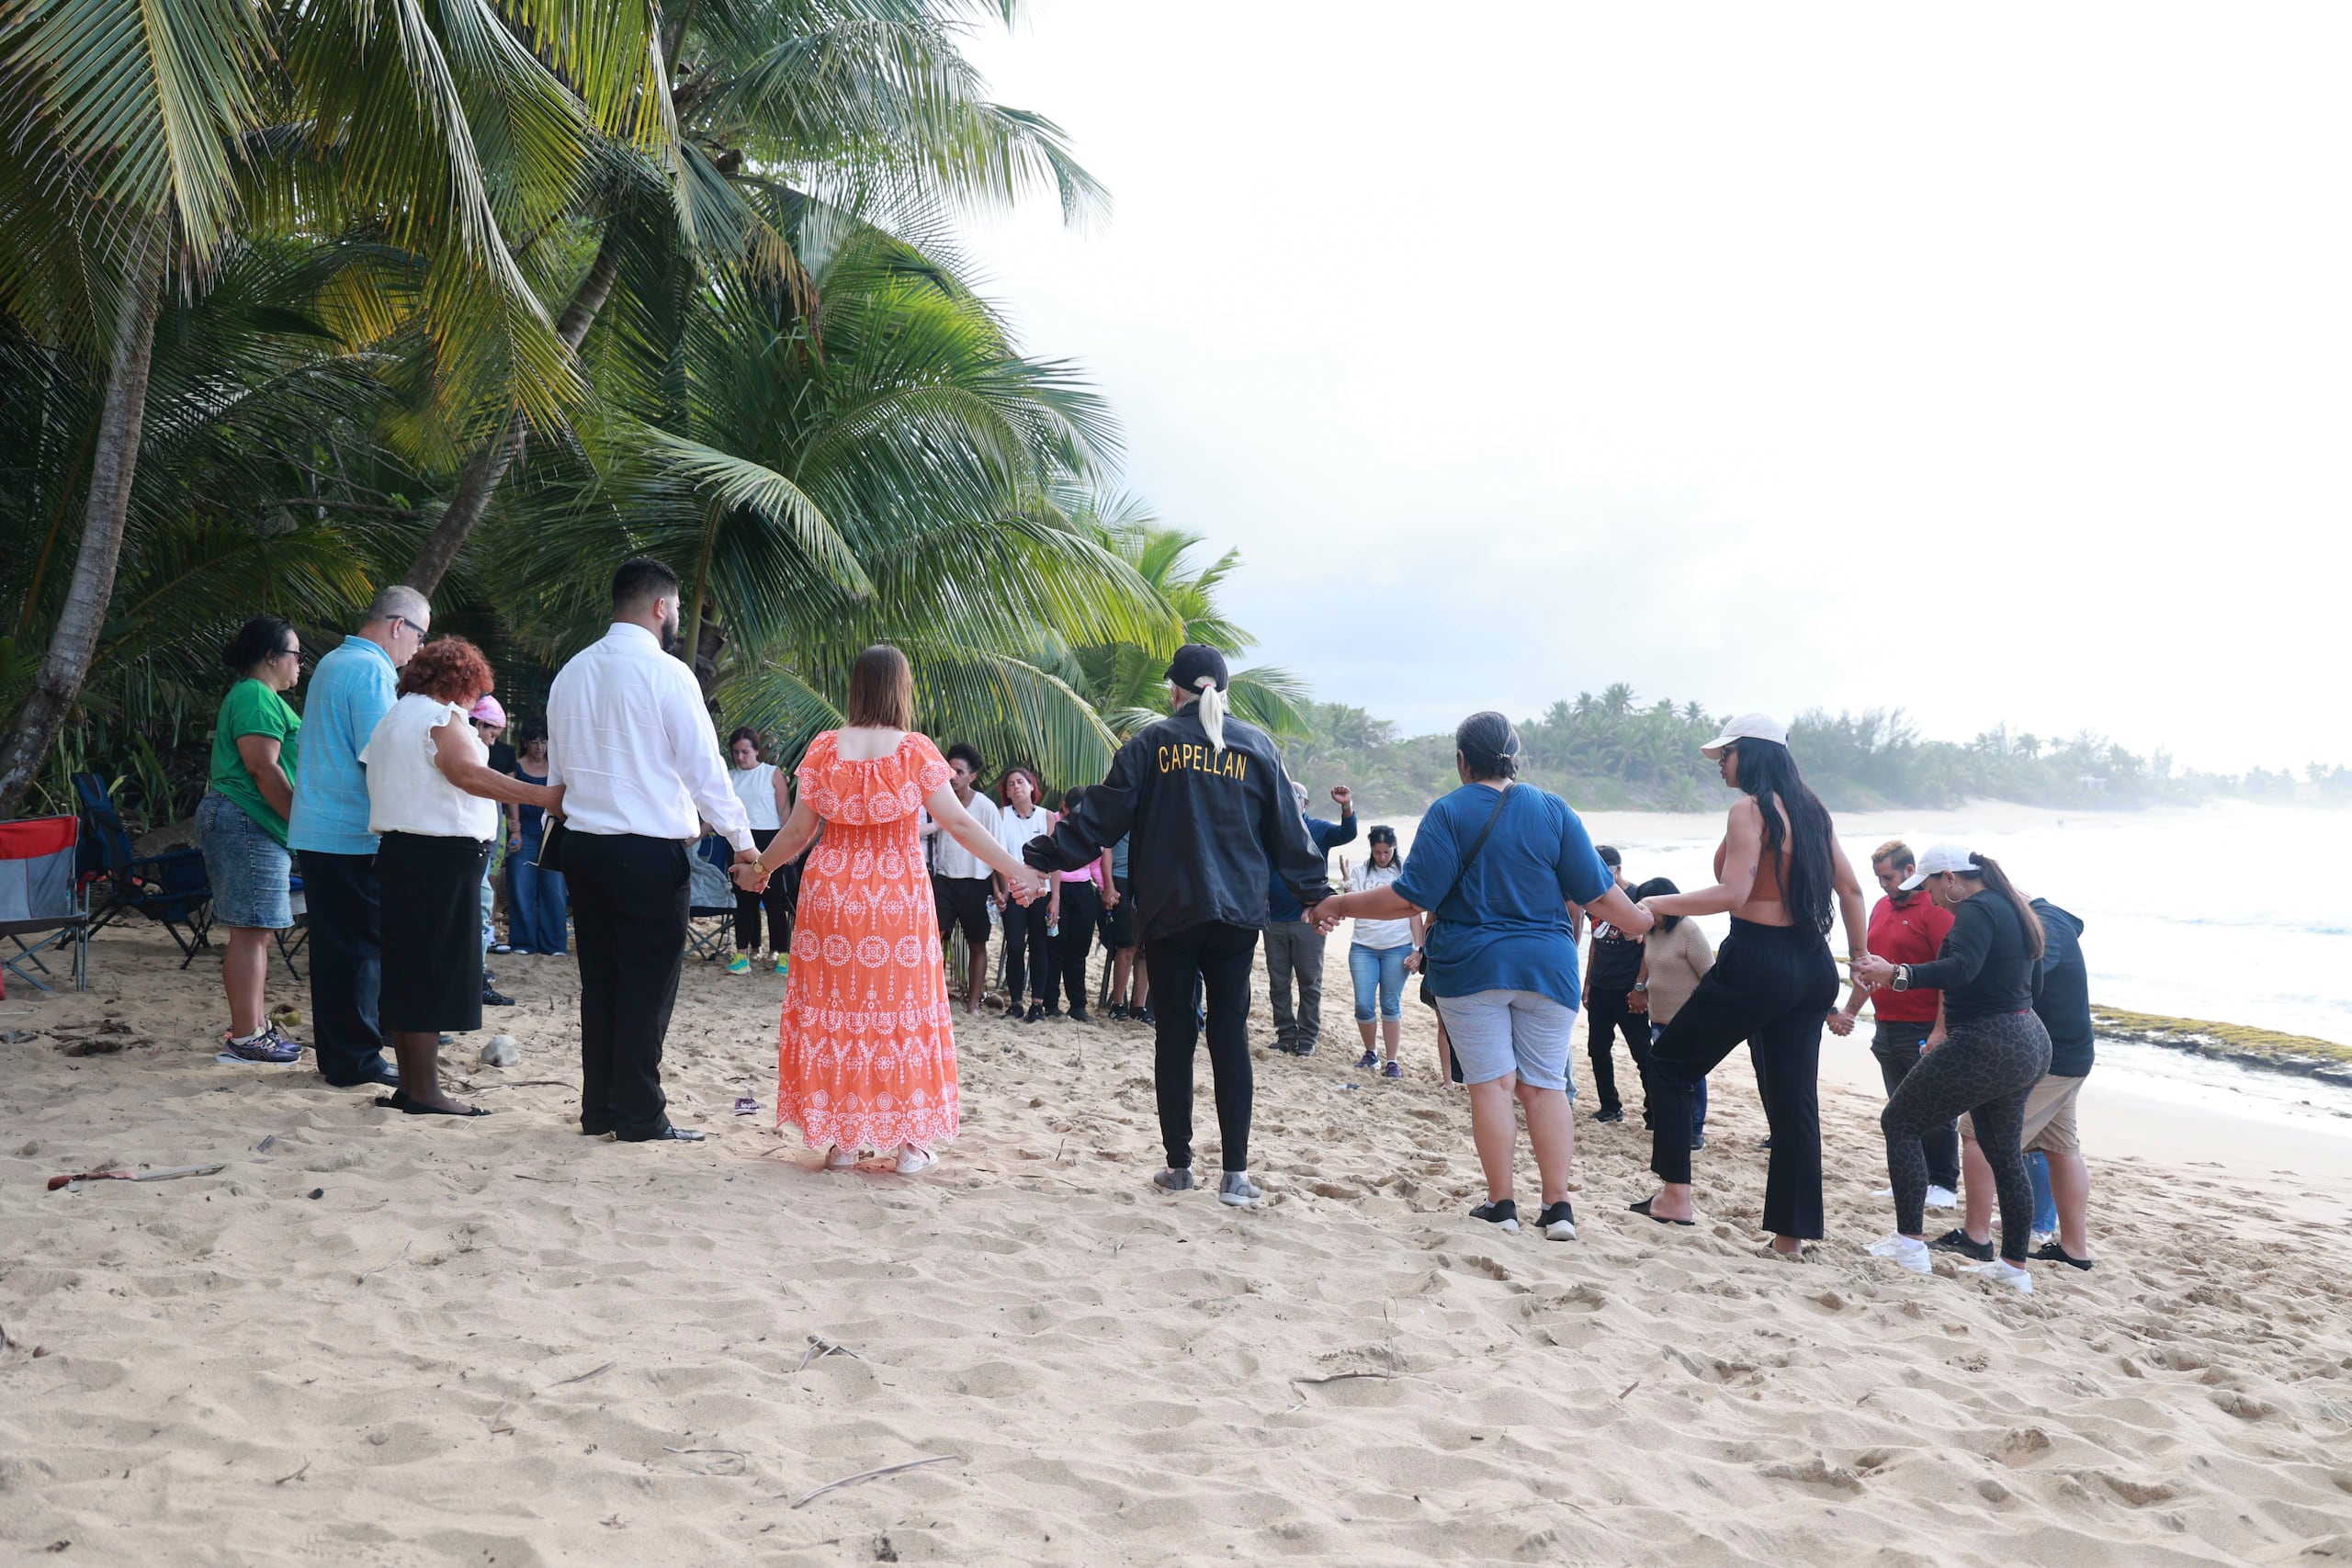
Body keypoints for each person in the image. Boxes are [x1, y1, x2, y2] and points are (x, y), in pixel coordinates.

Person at [1313, 713, 1649, 1241]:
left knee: (1491, 1086)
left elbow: (1410, 896)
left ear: (1462, 761)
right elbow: (1599, 894)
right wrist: (1642, 921)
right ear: (1514, 757)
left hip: (1472, 967)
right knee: (1545, 1086)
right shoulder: (1554, 808)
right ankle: (1558, 1208)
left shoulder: (1448, 811)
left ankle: (1503, 1204)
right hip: (1548, 967)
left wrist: (1341, 903)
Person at [1024, 644, 1330, 1207]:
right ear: (1224, 689)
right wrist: (1319, 897)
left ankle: (1179, 1166)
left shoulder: (1152, 742)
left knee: (1175, 1034)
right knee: (1230, 1034)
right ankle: (1235, 1174)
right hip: (1238, 914)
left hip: (1169, 911)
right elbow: (1290, 832)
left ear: (1174, 691)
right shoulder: (1256, 745)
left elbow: (1100, 816)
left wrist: (1041, 857)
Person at [734, 646, 1051, 1171]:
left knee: (839, 1012)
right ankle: (910, 1144)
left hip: (830, 896)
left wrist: (758, 871)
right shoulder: (915, 751)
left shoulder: (825, 748)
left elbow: (797, 832)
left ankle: (844, 1140)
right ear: (901, 688)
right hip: (894, 897)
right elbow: (961, 825)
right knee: (899, 1013)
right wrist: (1018, 870)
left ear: (856, 687)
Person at [1630, 715, 1868, 1258]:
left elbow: (1733, 894)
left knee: (1668, 1064)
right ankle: (1789, 1238)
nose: (1720, 767)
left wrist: (1657, 903)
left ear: (1751, 755)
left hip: (1757, 960)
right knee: (1793, 1104)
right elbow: (1851, 889)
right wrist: (1859, 956)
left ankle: (1674, 1196)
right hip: (1812, 965)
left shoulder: (1750, 810)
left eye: (1726, 756)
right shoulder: (1813, 812)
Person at [545, 558, 759, 1144]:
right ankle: (639, 1115)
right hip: (646, 853)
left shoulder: (571, 672)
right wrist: (743, 843)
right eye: (678, 610)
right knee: (646, 985)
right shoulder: (667, 674)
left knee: (603, 981)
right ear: (661, 607)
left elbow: (559, 780)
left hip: (583, 847)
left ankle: (602, 1111)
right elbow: (705, 771)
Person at [360, 637, 560, 1117]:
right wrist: (542, 796)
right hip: (438, 856)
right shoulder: (439, 715)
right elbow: (465, 773)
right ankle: (426, 1091)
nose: (475, 700)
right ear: (460, 681)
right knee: (431, 972)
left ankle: (412, 1086)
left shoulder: (394, 715)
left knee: (409, 971)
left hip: (401, 850)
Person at [1852, 845, 2052, 1293]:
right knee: (2004, 1154)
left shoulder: (1978, 908)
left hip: (1986, 1040)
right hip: (2029, 1038)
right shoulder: (2013, 905)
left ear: (1951, 878)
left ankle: (1908, 1243)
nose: (1930, 896)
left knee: (1900, 1121)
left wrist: (1897, 974)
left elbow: (1960, 969)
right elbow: (2034, 982)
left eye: (1930, 886)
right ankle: (2014, 1269)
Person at [288, 585, 429, 1089]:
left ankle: (345, 1054)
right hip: (350, 829)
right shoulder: (371, 669)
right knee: (359, 950)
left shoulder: (332, 661)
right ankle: (357, 1059)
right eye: (420, 635)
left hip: (321, 827)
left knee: (336, 950)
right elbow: (381, 753)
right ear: (398, 626)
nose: (418, 649)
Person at [1945, 897, 2096, 1269]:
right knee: (2061, 1147)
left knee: (1977, 1131)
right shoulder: (2039, 921)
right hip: (2066, 1055)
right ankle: (2075, 1252)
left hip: (2050, 1059)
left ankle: (1976, 1237)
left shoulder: (2047, 924)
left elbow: (2031, 973)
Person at [196, 615, 307, 1064]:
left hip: (248, 820)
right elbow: (264, 768)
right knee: (251, 931)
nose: (301, 663)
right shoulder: (256, 696)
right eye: (296, 654)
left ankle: (254, 1029)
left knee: (253, 930)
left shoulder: (258, 696)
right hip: (247, 819)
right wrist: (301, 823)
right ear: (271, 657)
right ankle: (246, 1037)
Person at [1830, 841, 1961, 1210]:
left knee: (1934, 1107)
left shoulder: (1934, 910)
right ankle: (1911, 1177)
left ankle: (1944, 1183)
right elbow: (1871, 969)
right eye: (1878, 878)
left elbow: (1949, 976)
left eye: (1887, 877)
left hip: (1923, 1023)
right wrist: (1852, 1011)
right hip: (1887, 1026)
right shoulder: (1881, 908)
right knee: (1899, 1109)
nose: (1883, 884)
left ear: (1909, 871)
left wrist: (1941, 1030)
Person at [1262, 780, 1356, 1056]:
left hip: (1309, 919)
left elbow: (1348, 833)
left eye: (1296, 797)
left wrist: (1347, 806)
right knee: (1278, 981)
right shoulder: (1271, 832)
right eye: (1285, 797)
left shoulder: (1318, 830)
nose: (1289, 801)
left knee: (1309, 980)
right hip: (1274, 919)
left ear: (1306, 803)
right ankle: (1285, 1033)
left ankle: (1307, 1037)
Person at [1627, 876, 1713, 1151]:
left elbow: (1711, 978)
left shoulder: (1689, 931)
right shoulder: (1652, 933)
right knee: (1665, 1077)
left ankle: (1695, 1131)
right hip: (1658, 1018)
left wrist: (1699, 1016)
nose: (1646, 913)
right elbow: (1648, 966)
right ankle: (1673, 1126)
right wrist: (1639, 988)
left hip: (1687, 1021)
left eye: (1650, 907)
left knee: (1690, 1077)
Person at [921, 742, 1000, 1015]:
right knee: (934, 940)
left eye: (959, 771)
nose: (952, 775)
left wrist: (1001, 890)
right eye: (949, 769)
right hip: (944, 880)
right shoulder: (939, 803)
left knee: (978, 944)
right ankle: (933, 999)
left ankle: (973, 1003)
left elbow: (996, 849)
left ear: (971, 777)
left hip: (977, 882)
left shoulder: (986, 807)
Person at [1343, 825, 1415, 1077]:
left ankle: (1392, 1061)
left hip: (1397, 945)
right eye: (1378, 852)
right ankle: (1371, 1052)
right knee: (1363, 1004)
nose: (1382, 857)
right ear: (1371, 850)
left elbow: (1414, 912)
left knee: (1390, 1003)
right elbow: (1351, 906)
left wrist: (1418, 949)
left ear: (1394, 847)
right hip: (1364, 945)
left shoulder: (1406, 870)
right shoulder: (1360, 871)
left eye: (1386, 852)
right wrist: (1346, 884)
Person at [1582, 845, 1645, 1124]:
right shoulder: (1595, 899)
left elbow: (1650, 947)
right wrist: (1587, 983)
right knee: (1597, 1049)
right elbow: (1596, 941)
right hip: (1600, 986)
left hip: (1628, 988)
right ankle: (1610, 1106)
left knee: (1642, 1053)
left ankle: (1654, 1112)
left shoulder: (1638, 896)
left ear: (1618, 869)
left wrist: (1640, 987)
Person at [724, 727, 793, 975]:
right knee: (744, 899)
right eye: (736, 752)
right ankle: (742, 954)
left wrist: (790, 846)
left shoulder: (772, 774)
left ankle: (782, 954)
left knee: (775, 901)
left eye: (745, 752)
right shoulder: (729, 777)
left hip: (770, 840)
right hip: (740, 840)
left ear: (756, 751)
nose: (741, 757)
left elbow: (785, 812)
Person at [991, 766, 1057, 1020]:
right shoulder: (1001, 815)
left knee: (1040, 946)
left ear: (1032, 786)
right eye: (1010, 785)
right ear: (1006, 792)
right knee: (1016, 945)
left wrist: (1056, 899)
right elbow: (995, 856)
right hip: (1014, 890)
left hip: (1041, 891)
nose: (1016, 787)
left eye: (1021, 782)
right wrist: (1001, 890)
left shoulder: (1047, 817)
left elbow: (1056, 862)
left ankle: (1037, 1004)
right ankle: (1016, 1002)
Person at [503, 724, 567, 955]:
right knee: (521, 888)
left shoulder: (556, 768)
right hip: (525, 833)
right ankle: (523, 942)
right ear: (525, 742)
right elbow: (512, 796)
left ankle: (554, 944)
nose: (539, 747)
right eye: (534, 741)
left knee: (554, 890)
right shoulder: (517, 766)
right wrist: (515, 829)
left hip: (552, 833)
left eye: (543, 741)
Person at [469, 694, 516, 1003]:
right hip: (468, 847)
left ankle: (477, 975)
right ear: (477, 723)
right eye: (490, 733)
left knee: (484, 904)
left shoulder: (478, 749)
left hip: (484, 844)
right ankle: (475, 980)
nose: (491, 741)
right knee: (481, 905)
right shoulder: (465, 748)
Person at [1049, 784, 1107, 1021]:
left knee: (1078, 948)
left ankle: (1077, 1004)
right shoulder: (1052, 821)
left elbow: (1096, 863)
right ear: (1064, 806)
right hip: (1057, 887)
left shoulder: (1092, 826)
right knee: (1055, 947)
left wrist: (1106, 889)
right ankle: (1050, 1002)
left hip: (1083, 889)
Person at [1102, 830, 1148, 1023]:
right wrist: (1109, 886)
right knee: (1127, 945)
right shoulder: (1123, 810)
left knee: (1146, 948)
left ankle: (1139, 1006)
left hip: (1148, 881)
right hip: (1121, 877)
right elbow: (1107, 850)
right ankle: (1117, 1003)